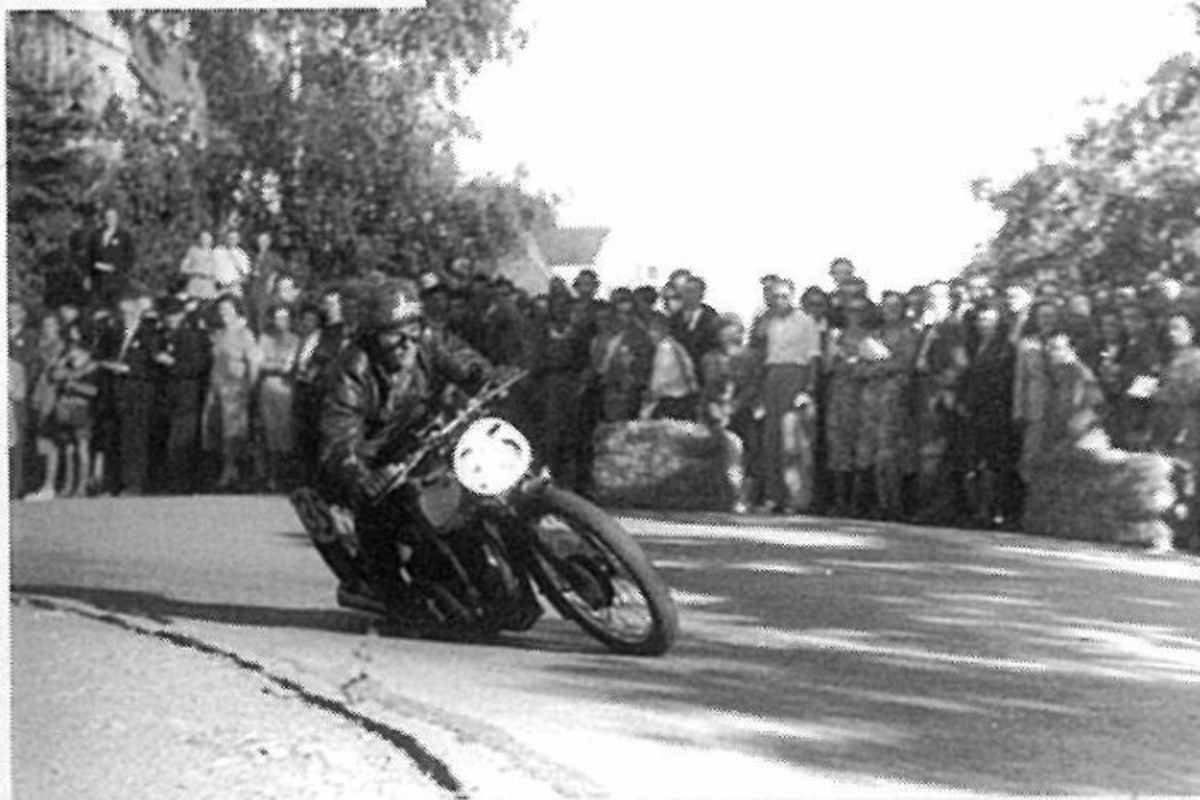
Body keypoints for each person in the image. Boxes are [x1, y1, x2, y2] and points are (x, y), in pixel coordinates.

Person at [316, 279, 507, 619]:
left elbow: (463, 361)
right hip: (373, 456)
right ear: (373, 336)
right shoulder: (350, 370)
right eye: (393, 334)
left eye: (412, 328)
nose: (406, 342)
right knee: (378, 514)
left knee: (473, 490)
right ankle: (392, 596)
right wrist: (361, 474)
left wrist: (485, 377)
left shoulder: (428, 341)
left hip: (426, 437)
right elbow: (339, 434)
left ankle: (494, 566)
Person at [747, 278, 824, 514]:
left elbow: (813, 357)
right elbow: (759, 354)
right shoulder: (766, 321)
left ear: (792, 296)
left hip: (795, 375)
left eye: (784, 296)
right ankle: (773, 496)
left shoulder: (805, 321)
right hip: (773, 377)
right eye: (774, 296)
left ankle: (796, 498)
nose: (779, 301)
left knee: (792, 440)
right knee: (771, 439)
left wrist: (807, 389)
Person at [94, 288, 158, 495]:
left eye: (131, 312)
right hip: (115, 392)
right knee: (114, 438)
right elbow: (99, 357)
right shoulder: (113, 333)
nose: (127, 317)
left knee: (135, 439)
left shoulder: (150, 334)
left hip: (138, 393)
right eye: (123, 313)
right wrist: (108, 365)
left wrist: (131, 369)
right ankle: (111, 483)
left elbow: (155, 365)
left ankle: (133, 484)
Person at [153, 295, 213, 493]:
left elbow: (197, 366)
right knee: (167, 437)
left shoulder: (190, 336)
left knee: (182, 440)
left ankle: (183, 483)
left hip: (186, 393)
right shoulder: (162, 336)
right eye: (167, 315)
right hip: (167, 394)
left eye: (174, 315)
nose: (170, 319)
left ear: (181, 315)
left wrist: (172, 364)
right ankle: (170, 481)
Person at [203, 294, 262, 490]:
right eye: (221, 310)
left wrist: (251, 389)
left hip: (236, 390)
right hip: (217, 388)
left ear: (237, 311)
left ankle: (232, 474)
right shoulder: (219, 334)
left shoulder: (244, 334)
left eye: (228, 309)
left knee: (234, 434)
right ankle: (226, 473)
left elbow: (253, 363)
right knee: (217, 433)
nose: (224, 313)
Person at [293, 289, 349, 482]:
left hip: (330, 390)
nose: (330, 308)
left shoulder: (344, 332)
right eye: (327, 304)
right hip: (309, 388)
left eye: (333, 304)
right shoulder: (319, 331)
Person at [26, 313, 69, 500]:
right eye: (45, 324)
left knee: (50, 443)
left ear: (58, 326)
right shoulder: (39, 346)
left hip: (53, 399)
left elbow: (57, 373)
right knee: (40, 443)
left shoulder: (62, 348)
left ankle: (50, 485)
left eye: (52, 324)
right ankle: (41, 483)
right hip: (37, 396)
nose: (48, 328)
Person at [257, 304, 300, 490]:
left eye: (285, 318)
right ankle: (271, 476)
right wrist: (276, 365)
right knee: (270, 430)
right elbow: (260, 364)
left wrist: (274, 364)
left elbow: (290, 366)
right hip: (268, 386)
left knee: (286, 430)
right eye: (277, 317)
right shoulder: (265, 338)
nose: (280, 322)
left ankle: (285, 475)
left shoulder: (295, 340)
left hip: (287, 388)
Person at [641, 312, 700, 422]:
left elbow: (658, 383)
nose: (651, 334)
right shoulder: (676, 346)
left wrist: (646, 406)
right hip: (684, 401)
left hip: (671, 403)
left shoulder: (665, 349)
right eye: (649, 330)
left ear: (665, 329)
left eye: (655, 330)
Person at [669, 275, 721, 370]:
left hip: (704, 369)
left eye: (692, 291)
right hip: (679, 371)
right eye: (686, 291)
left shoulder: (712, 318)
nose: (688, 295)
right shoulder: (674, 318)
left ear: (701, 294)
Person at [86, 207, 135, 308]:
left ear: (117, 218)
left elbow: (130, 257)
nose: (110, 219)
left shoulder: (124, 236)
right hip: (98, 280)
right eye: (107, 217)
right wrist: (88, 275)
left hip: (116, 281)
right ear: (104, 219)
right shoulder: (95, 235)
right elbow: (90, 256)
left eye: (112, 217)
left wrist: (116, 268)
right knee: (98, 308)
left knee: (115, 308)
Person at [180, 230, 219, 300]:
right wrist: (196, 271)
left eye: (207, 238)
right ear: (199, 239)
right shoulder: (192, 250)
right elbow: (183, 269)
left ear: (211, 240)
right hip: (194, 284)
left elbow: (217, 276)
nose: (204, 240)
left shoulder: (215, 254)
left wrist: (212, 277)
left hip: (208, 287)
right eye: (202, 238)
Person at [212, 230, 251, 296]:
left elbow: (245, 276)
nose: (231, 240)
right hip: (215, 284)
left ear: (238, 240)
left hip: (232, 288)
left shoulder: (242, 255)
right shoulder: (217, 251)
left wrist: (233, 284)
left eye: (234, 238)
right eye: (229, 238)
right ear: (226, 238)